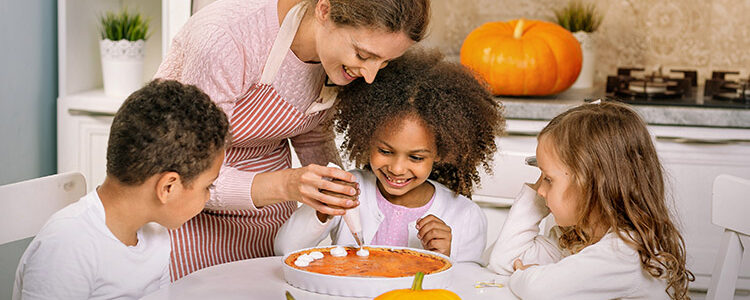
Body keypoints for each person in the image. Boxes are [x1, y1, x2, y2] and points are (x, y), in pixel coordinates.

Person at [154, 0, 431, 279]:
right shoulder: (227, 39)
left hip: (269, 222)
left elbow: (312, 132)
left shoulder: (334, 61)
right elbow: (185, 179)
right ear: (324, 10)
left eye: (383, 63)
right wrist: (288, 184)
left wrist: (338, 189)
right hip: (188, 219)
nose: (369, 76)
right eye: (362, 55)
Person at [274, 49, 505, 264]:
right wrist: (322, 211)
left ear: (443, 152)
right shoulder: (349, 189)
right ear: (366, 136)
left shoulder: (464, 215)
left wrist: (445, 257)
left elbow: (467, 287)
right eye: (385, 151)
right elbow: (284, 249)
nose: (396, 168)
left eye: (416, 158)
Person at [12, 80, 230, 300]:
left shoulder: (155, 234)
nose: (209, 195)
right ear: (168, 187)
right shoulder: (67, 248)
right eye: (207, 186)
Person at [487, 101, 694, 299]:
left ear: (592, 186)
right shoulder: (578, 235)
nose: (539, 190)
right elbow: (504, 260)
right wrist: (542, 192)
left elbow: (539, 290)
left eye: (548, 179)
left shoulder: (624, 252)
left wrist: (525, 275)